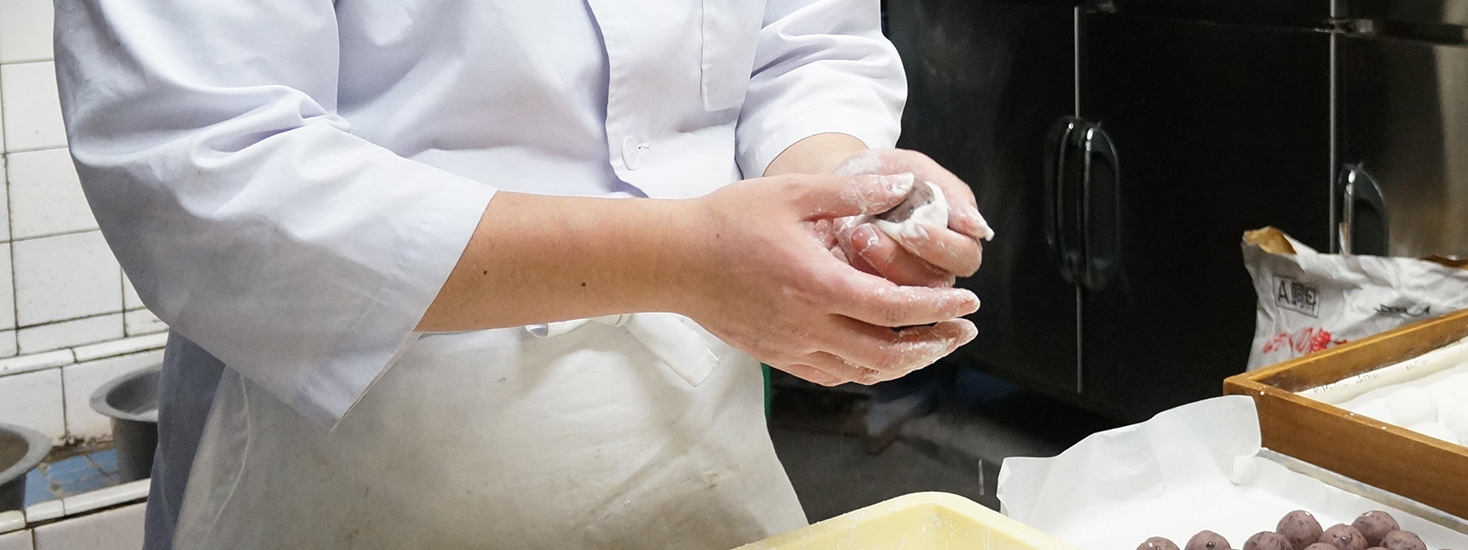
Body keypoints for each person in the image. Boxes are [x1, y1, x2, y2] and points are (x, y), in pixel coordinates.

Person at [54, 0, 990, 548]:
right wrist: (683, 259)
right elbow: (201, 164)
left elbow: (806, 40)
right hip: (360, 454)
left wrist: (831, 182)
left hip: (691, 436)